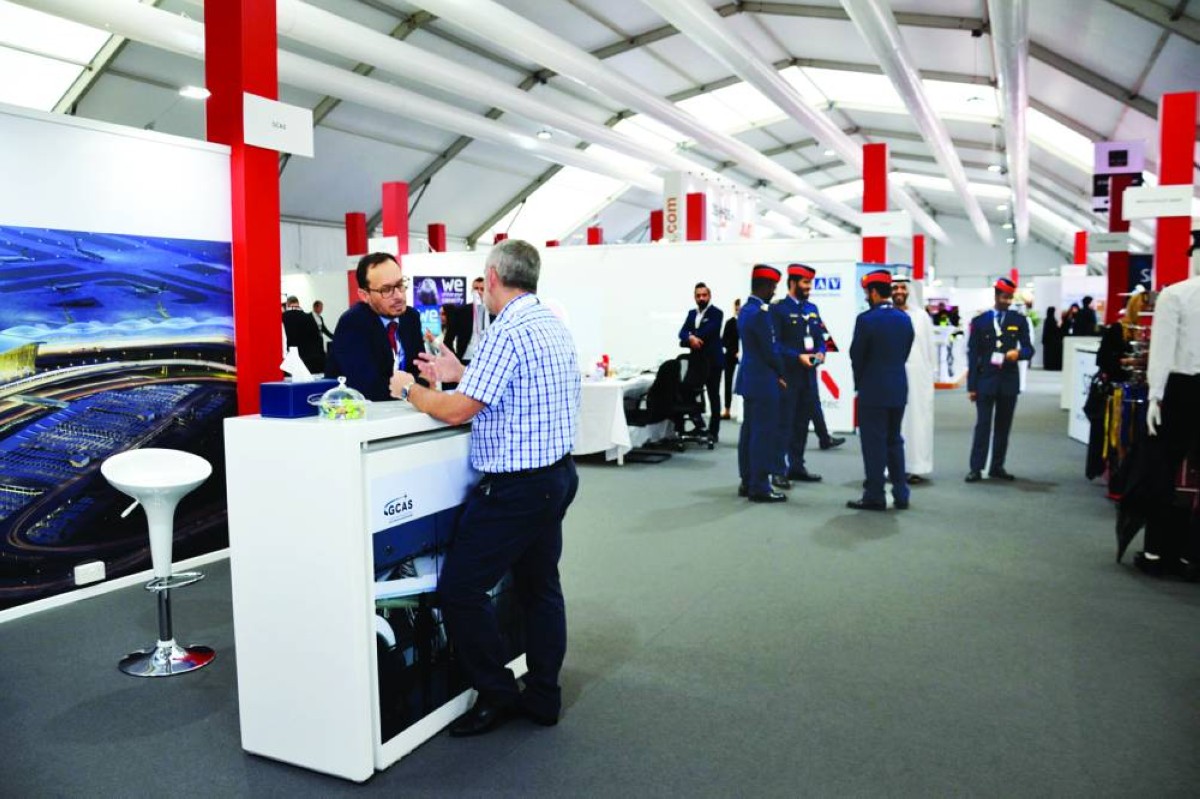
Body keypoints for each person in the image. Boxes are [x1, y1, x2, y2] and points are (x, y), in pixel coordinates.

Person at [388, 239, 580, 736]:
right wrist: (462, 373)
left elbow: (458, 410)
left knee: (461, 590)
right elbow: (517, 388)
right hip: (556, 478)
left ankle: (496, 693)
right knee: (540, 587)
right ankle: (543, 696)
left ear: (492, 277)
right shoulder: (549, 322)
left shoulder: (505, 331)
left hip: (516, 490)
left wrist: (410, 390)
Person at [1135, 252, 1200, 577]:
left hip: (1181, 388)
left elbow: (1161, 350)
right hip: (1180, 386)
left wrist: (1154, 395)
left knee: (1163, 468)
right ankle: (1193, 556)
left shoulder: (1175, 295)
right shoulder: (1176, 294)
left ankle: (1156, 551)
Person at [847, 269, 914, 511]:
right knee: (894, 441)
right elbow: (905, 351)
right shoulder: (904, 318)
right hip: (898, 388)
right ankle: (901, 493)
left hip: (873, 390)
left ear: (874, 292)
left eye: (867, 292)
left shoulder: (866, 320)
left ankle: (875, 494)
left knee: (874, 444)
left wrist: (860, 382)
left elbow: (856, 355)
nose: (867, 297)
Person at [965, 277, 1035, 482]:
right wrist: (972, 387)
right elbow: (973, 355)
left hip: (1008, 381)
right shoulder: (980, 321)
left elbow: (1029, 349)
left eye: (1010, 298)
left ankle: (997, 466)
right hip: (985, 381)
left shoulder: (1019, 320)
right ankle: (976, 468)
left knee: (1003, 427)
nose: (1007, 301)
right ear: (996, 296)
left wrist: (1018, 354)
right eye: (1004, 297)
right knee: (983, 425)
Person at [325, 252, 422, 401]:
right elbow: (366, 388)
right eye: (386, 290)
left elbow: (422, 372)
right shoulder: (353, 323)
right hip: (360, 410)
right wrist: (413, 386)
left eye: (400, 284)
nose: (398, 296)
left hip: (405, 408)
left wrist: (416, 383)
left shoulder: (411, 318)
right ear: (365, 295)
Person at [769, 263, 825, 488]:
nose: (809, 287)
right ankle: (777, 470)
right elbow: (775, 344)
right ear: (792, 283)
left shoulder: (812, 308)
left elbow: (821, 337)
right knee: (784, 424)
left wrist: (821, 352)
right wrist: (797, 356)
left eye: (810, 282)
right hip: (788, 376)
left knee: (802, 424)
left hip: (809, 377)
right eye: (805, 282)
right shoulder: (778, 309)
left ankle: (797, 466)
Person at [736, 265, 786, 503]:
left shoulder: (746, 310)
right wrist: (782, 372)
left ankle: (747, 480)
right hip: (764, 380)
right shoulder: (761, 314)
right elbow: (770, 350)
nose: (774, 292)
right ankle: (760, 486)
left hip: (750, 379)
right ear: (764, 287)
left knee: (749, 432)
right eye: (773, 287)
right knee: (763, 434)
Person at [892, 275, 935, 483]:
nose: (899, 291)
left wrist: (928, 379)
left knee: (916, 422)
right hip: (892, 375)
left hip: (918, 380)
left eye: (903, 287)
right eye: (895, 288)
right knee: (893, 422)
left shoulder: (921, 317)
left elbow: (929, 351)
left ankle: (915, 467)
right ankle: (892, 467)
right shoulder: (886, 315)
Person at [678, 282, 725, 441]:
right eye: (698, 295)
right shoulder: (692, 314)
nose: (701, 298)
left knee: (713, 395)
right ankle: (700, 425)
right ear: (694, 297)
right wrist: (690, 337)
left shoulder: (717, 313)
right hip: (696, 361)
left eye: (704, 295)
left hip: (713, 361)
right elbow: (682, 332)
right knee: (686, 390)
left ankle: (713, 432)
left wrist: (691, 337)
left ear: (709, 296)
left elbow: (710, 331)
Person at [444, 276, 488, 364]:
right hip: (466, 359)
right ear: (472, 291)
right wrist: (455, 359)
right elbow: (448, 339)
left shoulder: (494, 312)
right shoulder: (461, 312)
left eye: (482, 289)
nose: (479, 292)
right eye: (476, 288)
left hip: (487, 359)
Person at [282, 295, 325, 374]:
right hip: (308, 359)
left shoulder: (283, 317)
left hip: (291, 358)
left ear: (287, 304)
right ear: (298, 303)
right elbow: (317, 338)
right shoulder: (309, 317)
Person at [721, 298, 740, 419]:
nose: (738, 311)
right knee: (728, 383)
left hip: (745, 356)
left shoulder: (748, 323)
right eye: (737, 309)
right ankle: (727, 410)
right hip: (730, 356)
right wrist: (735, 352)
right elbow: (724, 340)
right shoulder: (730, 323)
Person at [1041, 305, 1063, 370]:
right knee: (1052, 354)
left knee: (1048, 354)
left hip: (1048, 340)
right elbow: (1055, 330)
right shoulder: (1052, 320)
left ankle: (1048, 365)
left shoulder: (1047, 320)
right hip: (1053, 341)